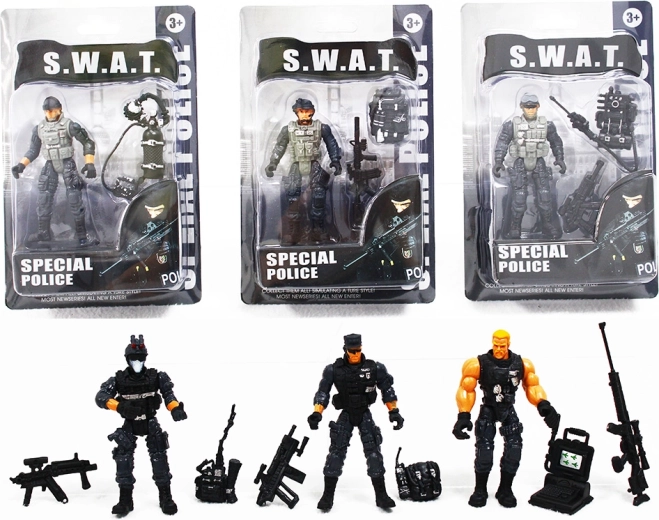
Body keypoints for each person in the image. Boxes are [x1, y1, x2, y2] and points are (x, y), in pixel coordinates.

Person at [453, 329, 560, 508]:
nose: (498, 349)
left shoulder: (522, 364)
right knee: (484, 451)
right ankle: (480, 489)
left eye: (502, 346)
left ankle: (505, 489)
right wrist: (463, 415)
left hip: (508, 409)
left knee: (514, 449)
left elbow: (532, 386)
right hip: (488, 408)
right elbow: (466, 388)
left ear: (508, 345)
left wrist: (543, 404)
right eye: (496, 345)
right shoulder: (477, 364)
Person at [308, 333, 403, 510]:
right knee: (336, 454)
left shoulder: (374, 368)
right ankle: (327, 496)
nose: (355, 354)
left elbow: (387, 389)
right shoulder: (333, 369)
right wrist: (317, 412)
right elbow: (323, 392)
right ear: (345, 350)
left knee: (374, 454)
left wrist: (394, 411)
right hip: (346, 414)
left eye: (358, 350)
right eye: (352, 351)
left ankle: (381, 496)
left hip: (364, 413)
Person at [95, 335, 187, 516]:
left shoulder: (156, 376)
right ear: (127, 359)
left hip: (150, 421)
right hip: (130, 423)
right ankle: (125, 500)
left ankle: (165, 496)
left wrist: (175, 408)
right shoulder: (119, 379)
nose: (137, 362)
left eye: (140, 358)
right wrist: (119, 406)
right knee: (123, 459)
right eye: (133, 359)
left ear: (145, 358)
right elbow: (100, 397)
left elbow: (168, 394)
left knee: (159, 457)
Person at [12, 96, 97, 245]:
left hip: (67, 163)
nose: (50, 114)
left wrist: (89, 163)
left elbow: (88, 142)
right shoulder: (39, 128)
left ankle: (82, 235)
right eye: (47, 111)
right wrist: (21, 165)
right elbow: (33, 150)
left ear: (59, 109)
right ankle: (43, 233)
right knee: (44, 199)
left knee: (75, 199)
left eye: (52, 110)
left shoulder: (70, 125)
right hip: (50, 164)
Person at [265, 98, 342, 244]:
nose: (305, 115)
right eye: (301, 112)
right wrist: (273, 163)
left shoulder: (322, 128)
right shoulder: (288, 129)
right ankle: (293, 231)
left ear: (312, 112)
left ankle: (317, 230)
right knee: (293, 198)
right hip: (296, 164)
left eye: (308, 112)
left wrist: (335, 160)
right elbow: (279, 147)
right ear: (296, 112)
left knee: (319, 196)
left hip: (314, 163)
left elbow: (332, 144)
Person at [493, 93, 566, 239]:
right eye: (527, 107)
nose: (530, 110)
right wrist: (499, 161)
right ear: (522, 107)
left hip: (539, 162)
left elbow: (556, 142)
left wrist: (560, 159)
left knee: (544, 197)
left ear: (538, 106)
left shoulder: (547, 125)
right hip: (520, 161)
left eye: (533, 107)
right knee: (519, 197)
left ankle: (547, 225)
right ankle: (515, 227)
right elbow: (502, 142)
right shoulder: (512, 125)